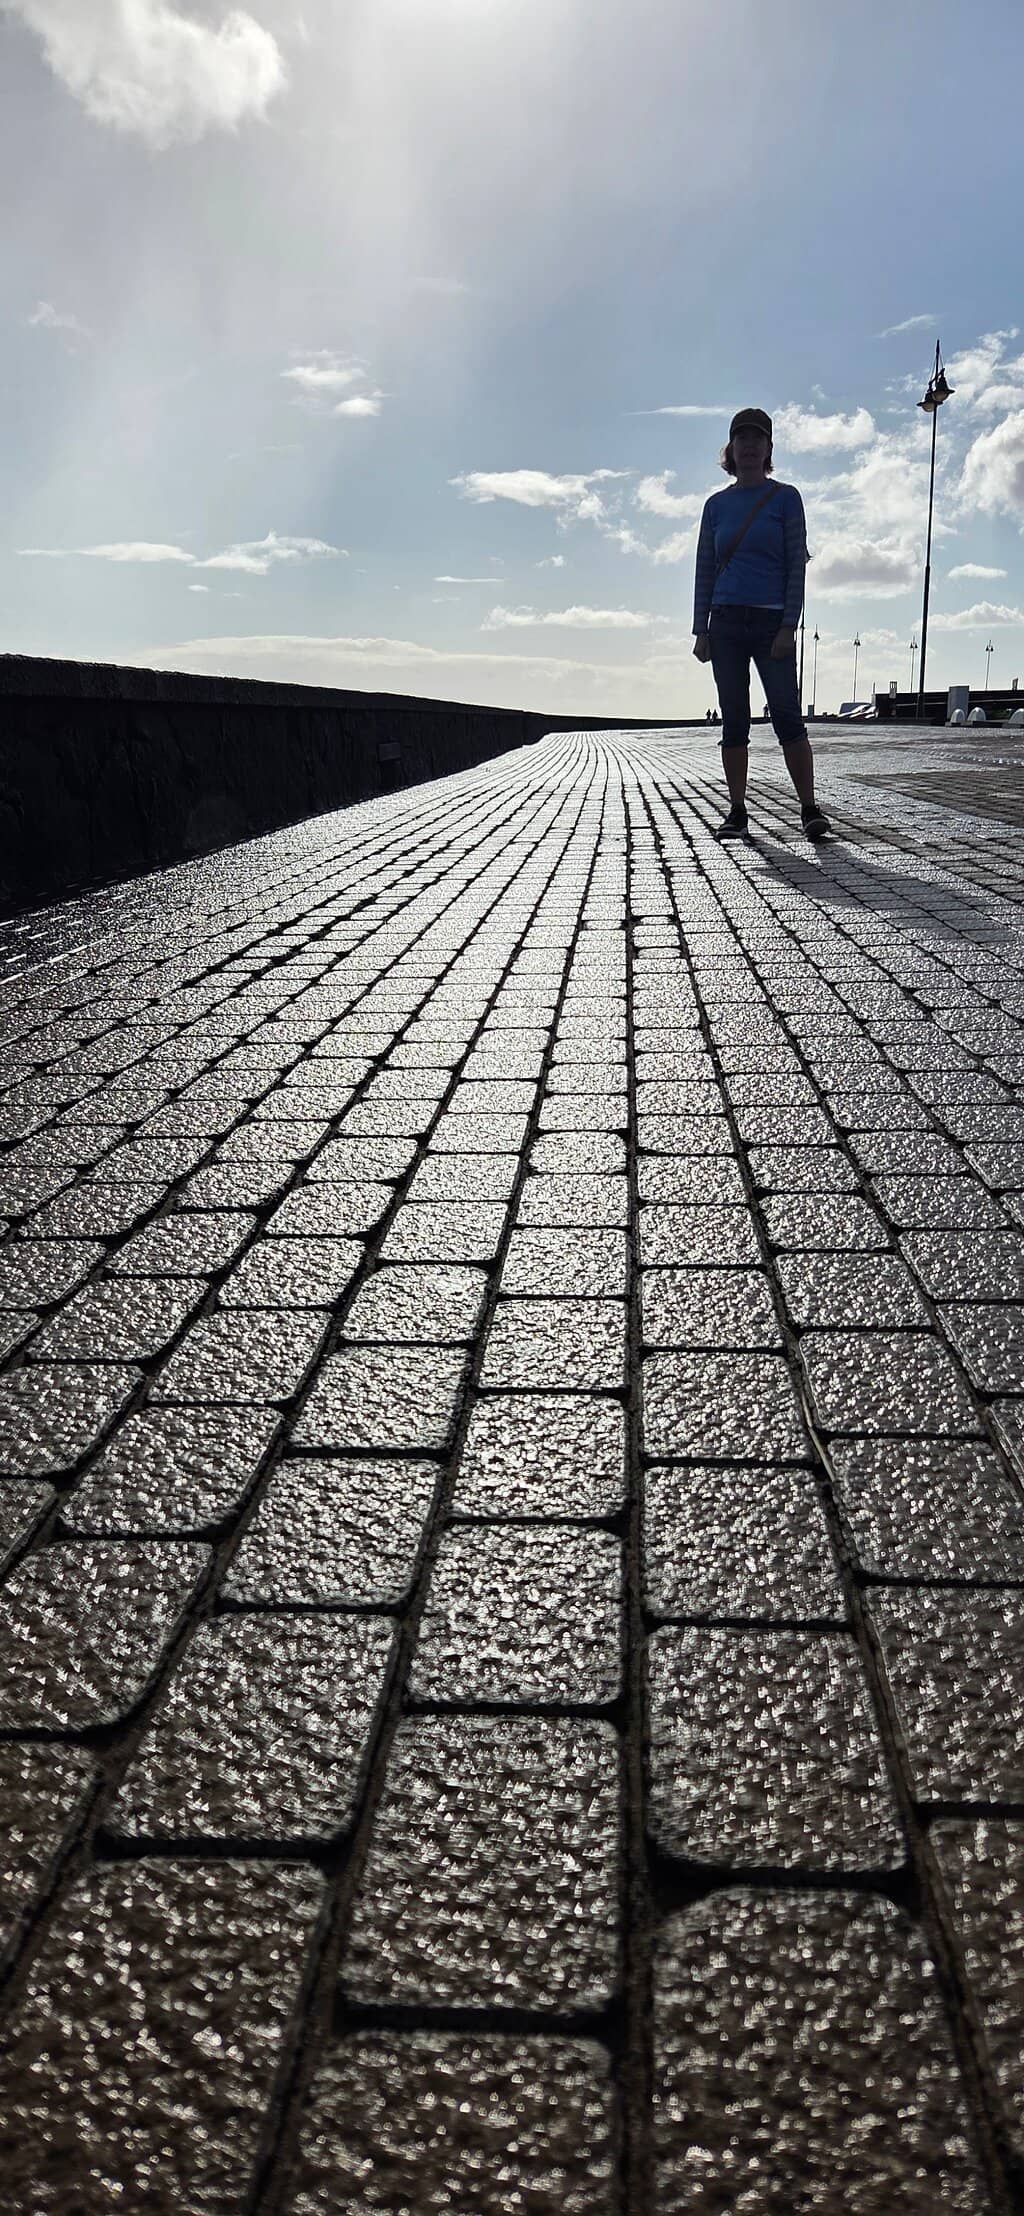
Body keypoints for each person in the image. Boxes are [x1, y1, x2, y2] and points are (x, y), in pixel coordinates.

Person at [692, 407, 829, 841]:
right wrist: (700, 629)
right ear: (730, 449)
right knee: (734, 721)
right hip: (725, 623)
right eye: (741, 438)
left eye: (757, 438)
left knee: (787, 716)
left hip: (772, 624)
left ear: (769, 448)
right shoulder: (716, 506)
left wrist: (789, 625)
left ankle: (808, 809)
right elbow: (704, 569)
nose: (749, 446)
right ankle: (736, 811)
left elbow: (795, 567)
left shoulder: (786, 498)